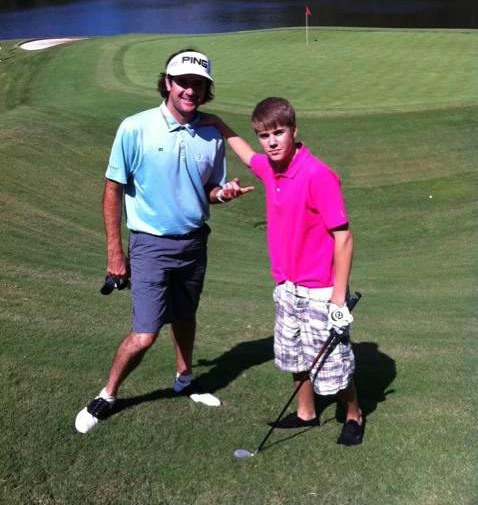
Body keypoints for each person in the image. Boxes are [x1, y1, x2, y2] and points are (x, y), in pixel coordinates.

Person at [74, 48, 254, 434]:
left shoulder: (211, 134)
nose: (191, 90)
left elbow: (207, 190)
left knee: (185, 316)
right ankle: (107, 394)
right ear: (168, 83)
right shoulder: (135, 128)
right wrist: (115, 252)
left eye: (198, 84)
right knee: (145, 334)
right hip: (150, 245)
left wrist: (223, 195)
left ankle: (185, 379)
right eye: (183, 82)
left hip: (194, 244)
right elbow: (113, 189)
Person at [204, 97, 364, 446]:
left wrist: (338, 300)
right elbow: (248, 156)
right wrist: (218, 123)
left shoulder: (317, 174)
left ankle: (353, 414)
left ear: (294, 130)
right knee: (295, 355)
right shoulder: (270, 168)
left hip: (320, 289)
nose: (272, 142)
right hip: (287, 286)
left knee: (332, 365)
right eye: (264, 135)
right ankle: (306, 413)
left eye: (278, 133)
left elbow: (344, 237)